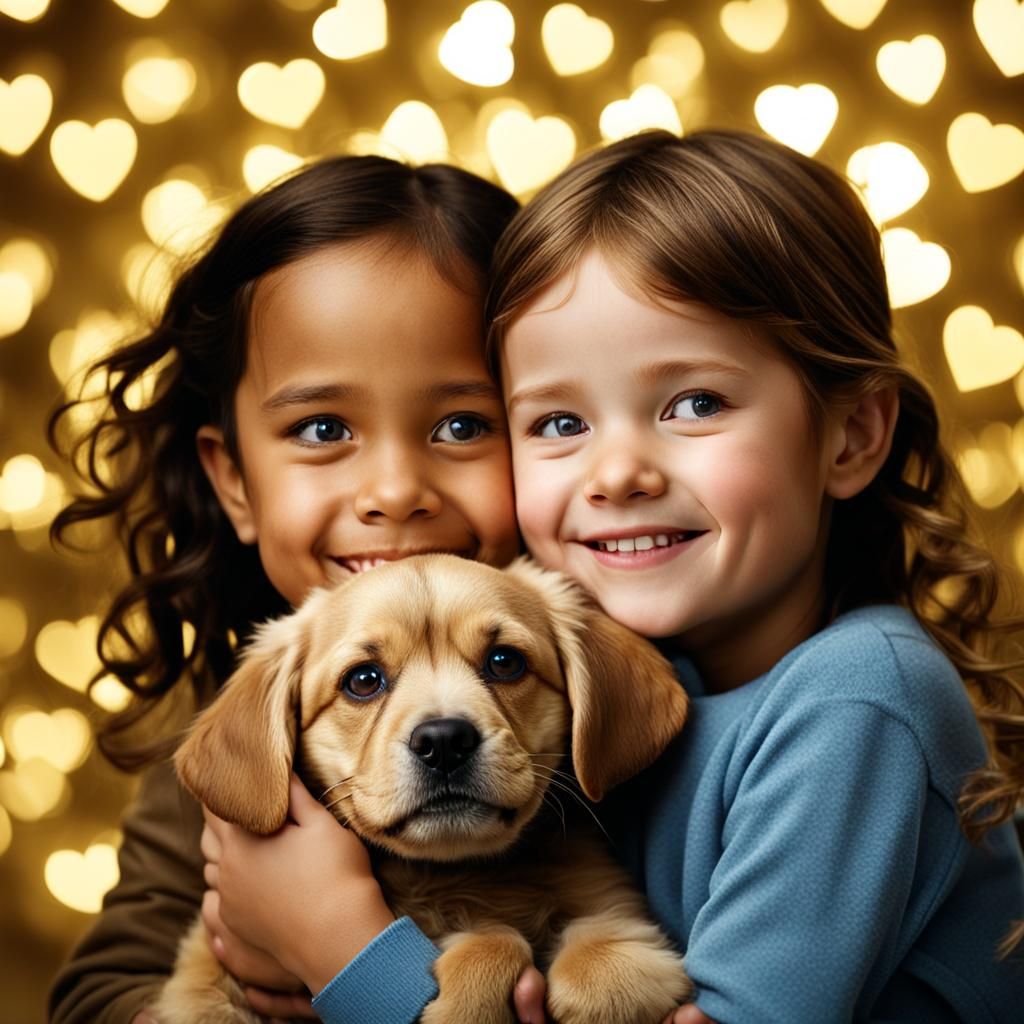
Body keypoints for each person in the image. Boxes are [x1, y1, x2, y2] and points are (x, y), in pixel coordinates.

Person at [201, 130, 1024, 1024]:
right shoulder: (637, 684)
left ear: (854, 434)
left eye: (696, 403)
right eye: (558, 422)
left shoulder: (855, 703)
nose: (618, 472)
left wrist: (344, 957)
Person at [46, 154, 524, 1023]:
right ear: (233, 483)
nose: (393, 489)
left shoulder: (613, 672)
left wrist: (342, 953)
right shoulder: (230, 732)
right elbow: (99, 992)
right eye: (323, 427)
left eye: (462, 424)